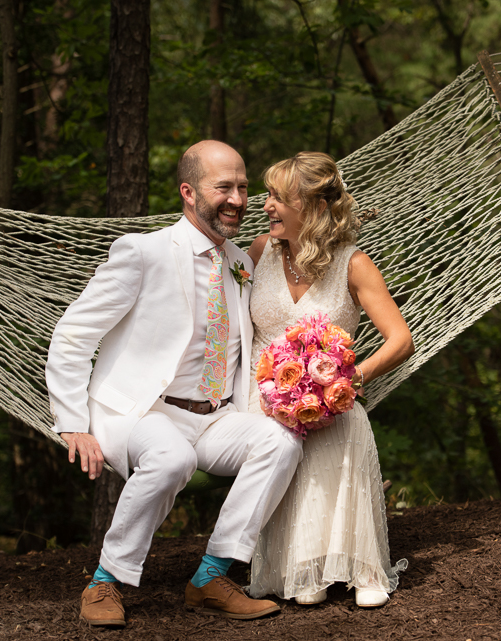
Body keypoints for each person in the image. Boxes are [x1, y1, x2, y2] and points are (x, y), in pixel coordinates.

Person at [45, 140, 303, 626]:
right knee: (172, 457)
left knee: (282, 441)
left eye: (244, 188)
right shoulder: (142, 252)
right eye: (223, 187)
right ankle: (105, 582)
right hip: (145, 411)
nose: (238, 199)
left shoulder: (242, 265)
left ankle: (211, 576)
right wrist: (71, 423)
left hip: (218, 415)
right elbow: (74, 334)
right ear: (188, 191)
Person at [245, 151, 413, 608]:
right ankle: (302, 569)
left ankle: (357, 564)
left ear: (314, 208)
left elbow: (400, 340)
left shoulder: (353, 265)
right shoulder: (258, 253)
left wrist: (345, 382)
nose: (266, 206)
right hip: (261, 404)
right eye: (268, 196)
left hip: (329, 402)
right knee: (278, 438)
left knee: (345, 422)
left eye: (279, 198)